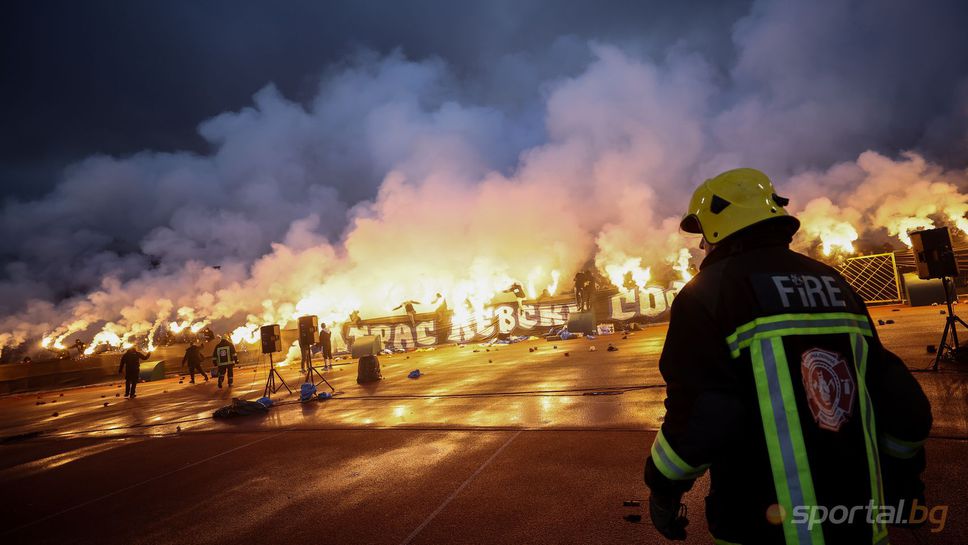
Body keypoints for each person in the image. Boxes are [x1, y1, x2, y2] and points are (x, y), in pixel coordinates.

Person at [643, 168, 932, 544]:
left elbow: (704, 412)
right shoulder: (834, 283)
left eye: (702, 236)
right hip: (859, 521)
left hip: (763, 524)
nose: (701, 247)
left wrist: (663, 486)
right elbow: (902, 403)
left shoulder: (708, 293)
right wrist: (902, 478)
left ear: (719, 228)